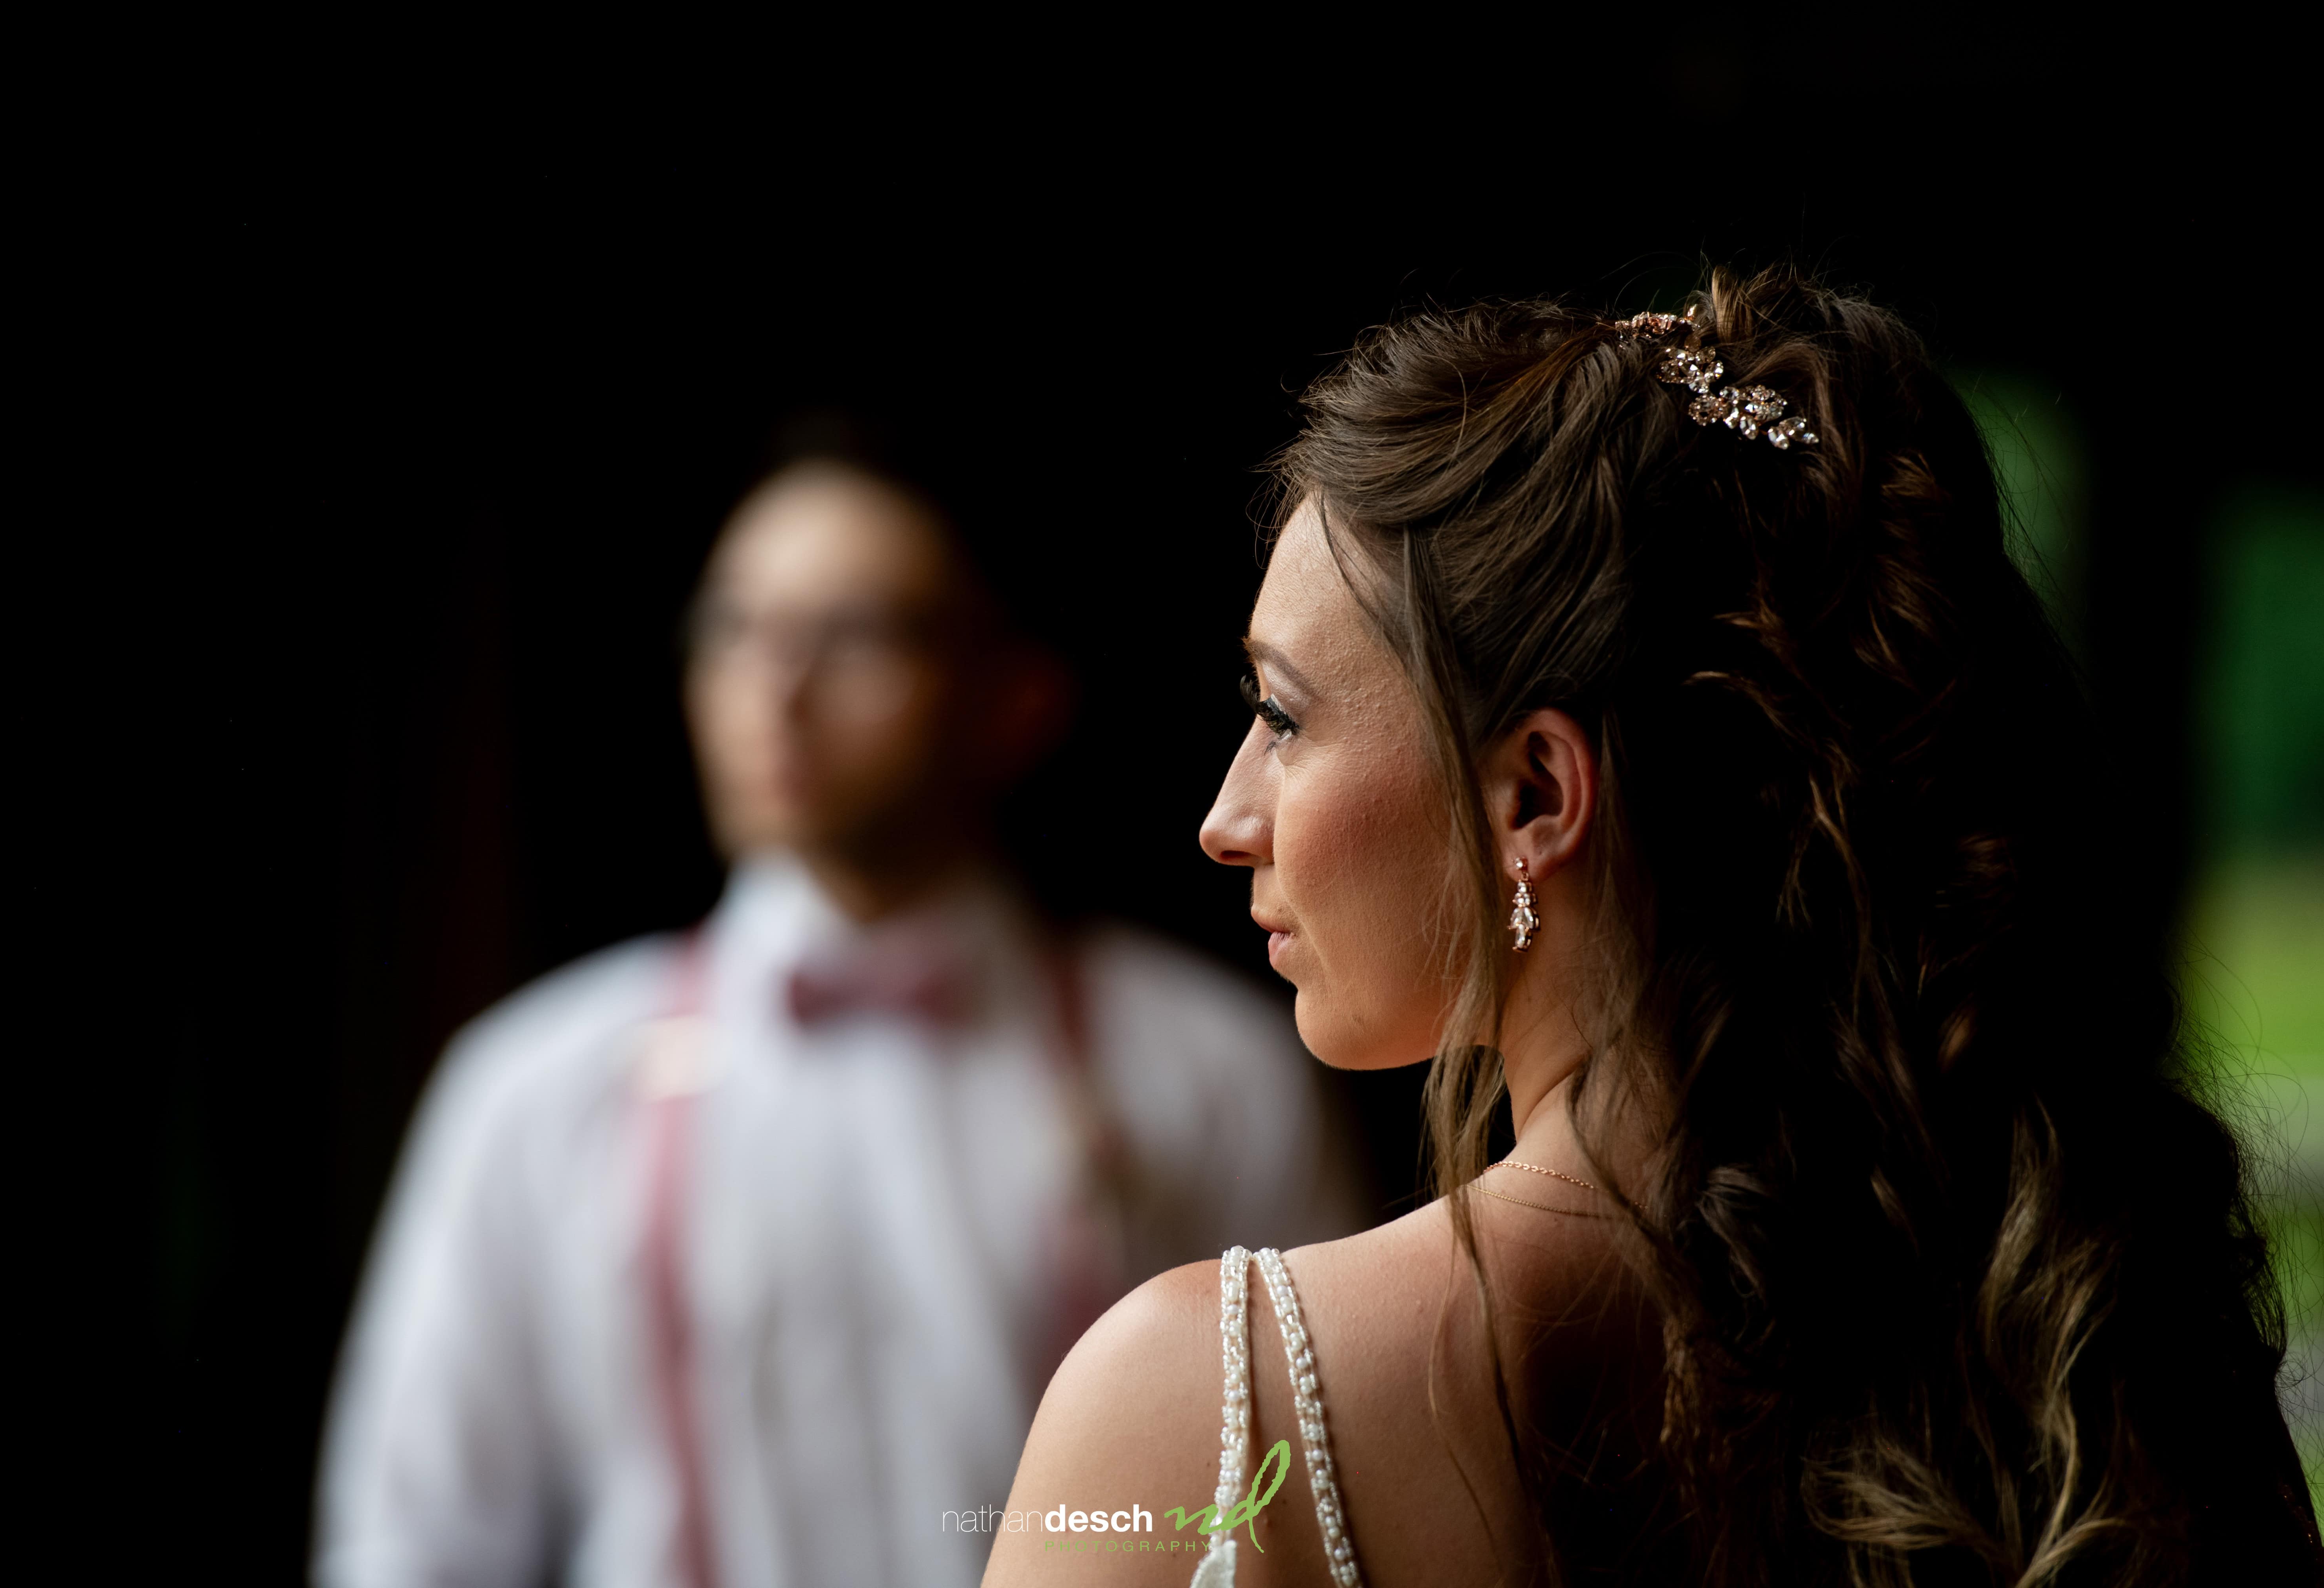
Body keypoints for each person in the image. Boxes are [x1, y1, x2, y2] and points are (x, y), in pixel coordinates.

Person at [988, 269, 2322, 1586]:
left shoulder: (1214, 1421)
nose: (1228, 816)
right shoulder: (2109, 1355)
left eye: (1282, 717)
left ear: (1536, 794)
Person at [316, 451, 1360, 1588]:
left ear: (1014, 695)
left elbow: (1315, 1474)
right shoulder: (529, 1086)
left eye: (853, 633)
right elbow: (417, 1538)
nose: (776, 688)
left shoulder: (1209, 1065)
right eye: (734, 630)